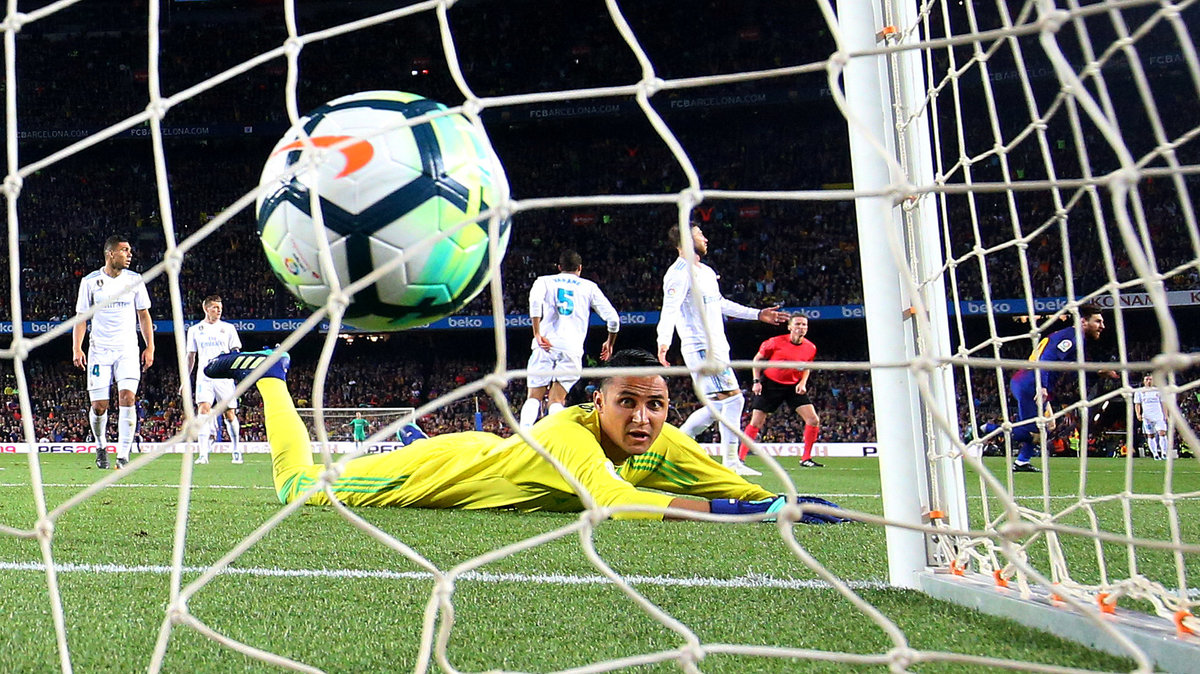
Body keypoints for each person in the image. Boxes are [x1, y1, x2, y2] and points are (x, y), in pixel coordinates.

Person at [204, 348, 848, 523]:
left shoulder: (663, 438)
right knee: (297, 488)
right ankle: (273, 377)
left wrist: (780, 502)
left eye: (655, 406)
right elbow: (615, 502)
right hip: (441, 473)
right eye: (627, 403)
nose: (643, 418)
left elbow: (736, 487)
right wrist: (750, 515)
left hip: (489, 454)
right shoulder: (570, 429)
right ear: (599, 402)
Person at [656, 224, 788, 476]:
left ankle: (671, 448)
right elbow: (669, 309)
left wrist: (757, 314)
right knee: (734, 400)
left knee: (719, 406)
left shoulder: (705, 271)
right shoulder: (678, 273)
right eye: (699, 235)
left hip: (717, 346)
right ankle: (729, 462)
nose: (705, 238)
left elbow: (720, 304)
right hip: (701, 346)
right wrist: (663, 342)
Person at [72, 235, 153, 470]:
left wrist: (150, 346)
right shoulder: (90, 282)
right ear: (110, 254)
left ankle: (123, 454)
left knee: (128, 397)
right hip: (99, 351)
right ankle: (101, 446)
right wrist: (77, 347)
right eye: (124, 250)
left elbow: (143, 315)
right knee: (99, 406)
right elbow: (81, 318)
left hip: (127, 350)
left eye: (130, 251)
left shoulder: (135, 280)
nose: (129, 255)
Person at [519, 250, 620, 428]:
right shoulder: (589, 287)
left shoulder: (544, 281)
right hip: (571, 348)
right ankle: (556, 436)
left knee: (534, 397)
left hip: (545, 344)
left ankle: (523, 435)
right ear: (580, 268)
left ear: (559, 267)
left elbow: (535, 302)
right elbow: (613, 319)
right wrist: (609, 342)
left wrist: (537, 333)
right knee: (557, 400)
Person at [1009, 304, 1112, 473]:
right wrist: (1041, 386)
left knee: (1049, 426)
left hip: (1028, 381)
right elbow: (1045, 359)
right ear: (1083, 321)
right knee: (1035, 431)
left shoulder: (1074, 338)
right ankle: (987, 430)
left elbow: (1074, 369)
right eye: (1098, 321)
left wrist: (1098, 372)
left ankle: (1021, 462)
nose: (1102, 326)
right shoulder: (1071, 338)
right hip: (1030, 383)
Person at [738, 314, 823, 468]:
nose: (801, 327)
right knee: (756, 422)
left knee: (813, 419)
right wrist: (756, 381)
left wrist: (803, 382)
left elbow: (807, 366)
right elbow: (757, 360)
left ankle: (806, 458)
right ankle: (740, 458)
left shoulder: (810, 347)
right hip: (770, 384)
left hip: (793, 386)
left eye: (804, 325)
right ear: (790, 327)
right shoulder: (774, 342)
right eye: (797, 324)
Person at [185, 295, 243, 464]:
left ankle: (236, 450)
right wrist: (185, 380)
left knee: (229, 414)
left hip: (224, 377)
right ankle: (203, 454)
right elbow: (191, 356)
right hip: (204, 377)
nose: (218, 311)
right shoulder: (195, 330)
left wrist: (236, 373)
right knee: (203, 410)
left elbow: (236, 352)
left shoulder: (228, 328)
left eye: (220, 308)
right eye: (215, 308)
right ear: (206, 309)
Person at [1134, 374, 1170, 460]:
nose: (1149, 381)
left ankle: (1164, 453)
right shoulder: (1139, 391)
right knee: (1150, 435)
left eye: (1150, 379)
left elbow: (1164, 403)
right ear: (1143, 381)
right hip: (1147, 417)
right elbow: (1137, 404)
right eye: (1147, 379)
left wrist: (1166, 415)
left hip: (1158, 416)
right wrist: (1138, 414)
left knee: (1162, 433)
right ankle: (1155, 454)